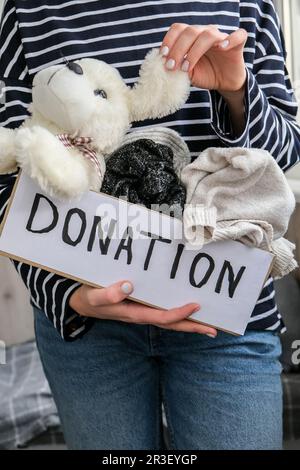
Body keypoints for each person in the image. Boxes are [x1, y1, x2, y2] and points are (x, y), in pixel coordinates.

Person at [0, 0, 299, 450]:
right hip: (89, 325)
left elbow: (282, 156)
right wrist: (67, 296)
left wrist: (237, 91)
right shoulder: (29, 11)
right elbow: (11, 171)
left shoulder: (247, 6)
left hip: (226, 311)